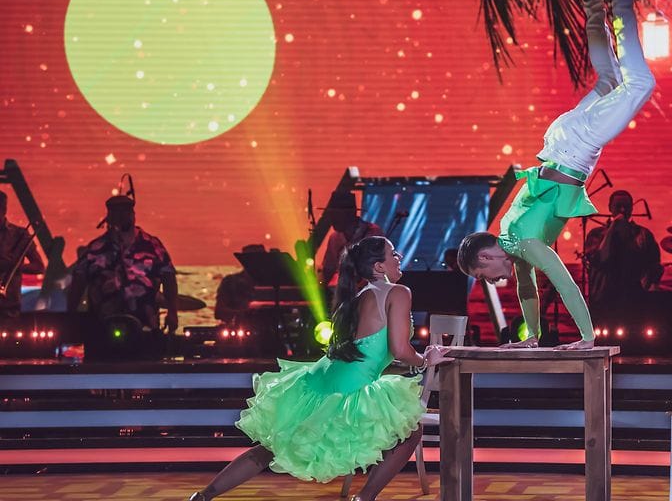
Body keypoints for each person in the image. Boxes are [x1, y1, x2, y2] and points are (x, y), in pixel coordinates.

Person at [457, 0, 656, 350]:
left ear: (485, 258)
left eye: (482, 276)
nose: (491, 282)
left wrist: (587, 338)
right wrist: (531, 337)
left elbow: (565, 284)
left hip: (576, 146)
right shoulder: (511, 238)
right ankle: (592, 1)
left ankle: (620, 0)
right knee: (608, 81)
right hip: (560, 141)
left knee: (640, 84)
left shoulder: (524, 243)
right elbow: (527, 291)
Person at [187, 236, 451, 501]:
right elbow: (400, 349)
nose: (399, 257)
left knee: (271, 446)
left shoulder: (359, 296)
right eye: (392, 253)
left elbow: (371, 350)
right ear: (378, 266)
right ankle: (364, 497)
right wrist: (426, 359)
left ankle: (203, 495)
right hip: (348, 387)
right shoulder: (398, 292)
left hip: (322, 379)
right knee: (409, 430)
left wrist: (405, 364)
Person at [66, 195, 178, 345]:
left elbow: (169, 278)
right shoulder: (95, 248)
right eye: (116, 212)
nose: (121, 217)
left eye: (125, 212)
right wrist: (70, 318)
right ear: (108, 217)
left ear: (133, 215)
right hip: (102, 330)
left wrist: (172, 312)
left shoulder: (152, 245)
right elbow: (78, 283)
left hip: (145, 328)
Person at [584, 189, 662, 311]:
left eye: (626, 206)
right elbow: (599, 259)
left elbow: (655, 265)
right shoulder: (596, 234)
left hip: (635, 300)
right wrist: (612, 229)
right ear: (610, 208)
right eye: (618, 206)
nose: (622, 210)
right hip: (604, 301)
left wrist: (651, 286)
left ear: (632, 208)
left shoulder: (644, 235)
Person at [321, 190, 384, 285]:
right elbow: (328, 268)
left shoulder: (373, 233)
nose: (332, 219)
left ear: (351, 214)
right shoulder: (334, 238)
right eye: (331, 214)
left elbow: (379, 268)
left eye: (336, 214)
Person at [0, 191, 45, 319]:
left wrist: (13, 267)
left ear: (4, 209)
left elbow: (39, 267)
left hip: (9, 305)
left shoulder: (19, 234)